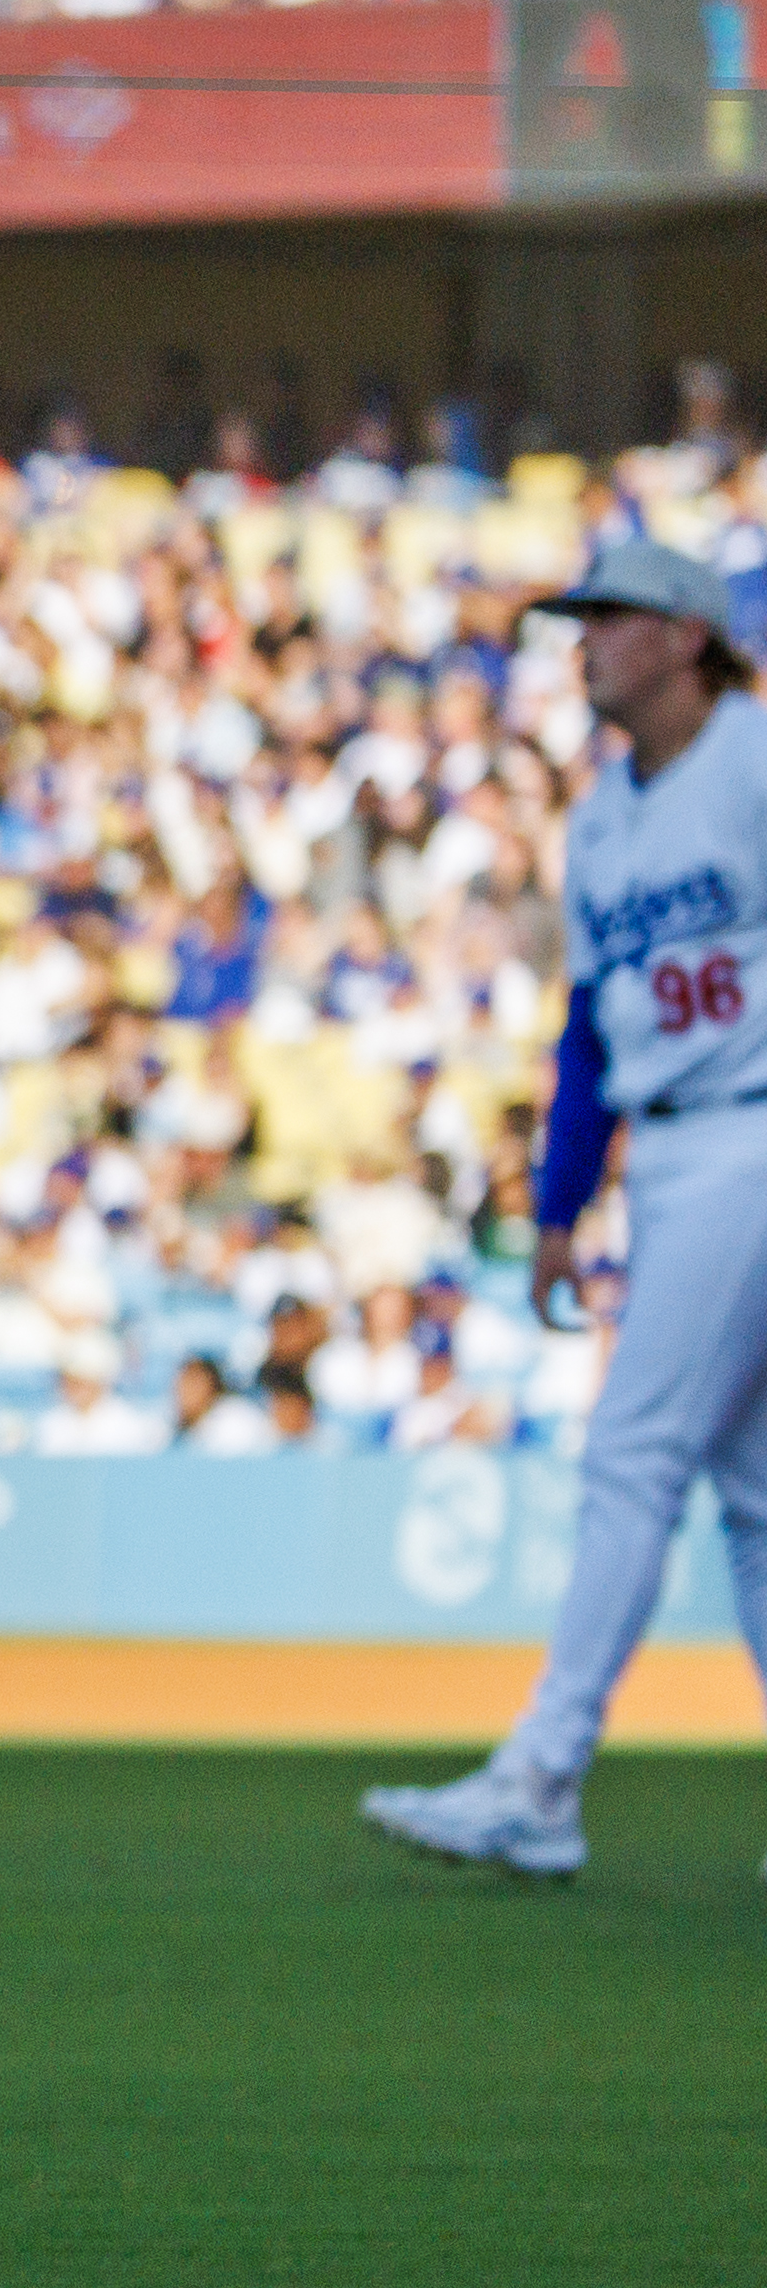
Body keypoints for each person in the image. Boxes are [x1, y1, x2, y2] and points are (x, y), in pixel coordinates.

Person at [366, 538, 767, 1882]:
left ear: (685, 639)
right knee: (753, 1493)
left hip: (752, 1126)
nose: (584, 639)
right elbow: (593, 1028)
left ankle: (542, 1773)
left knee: (634, 1453)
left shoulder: (753, 762)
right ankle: (540, 1775)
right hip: (671, 1146)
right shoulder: (599, 816)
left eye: (611, 616)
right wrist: (557, 1205)